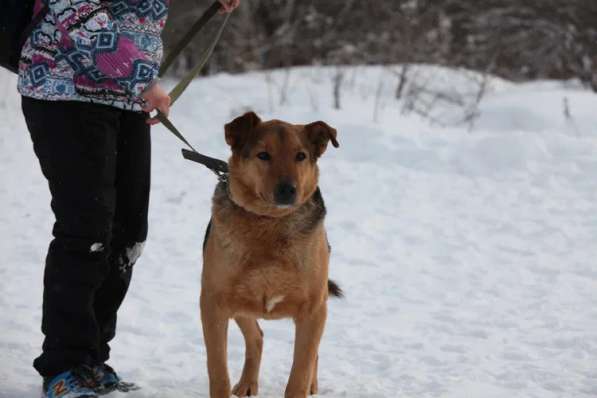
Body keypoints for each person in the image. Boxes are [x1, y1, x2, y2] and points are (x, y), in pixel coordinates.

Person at [18, 0, 240, 397]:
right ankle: (65, 365)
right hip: (64, 90)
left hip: (124, 98)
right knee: (87, 231)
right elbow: (77, 13)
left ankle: (92, 359)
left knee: (127, 234)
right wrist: (142, 78)